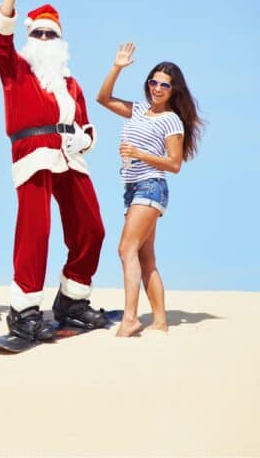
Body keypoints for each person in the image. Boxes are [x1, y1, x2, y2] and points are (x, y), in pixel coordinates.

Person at [0, 0, 108, 341]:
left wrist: (84, 138)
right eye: (38, 34)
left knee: (92, 228)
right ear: (29, 37)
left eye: (50, 34)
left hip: (70, 156)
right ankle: (23, 309)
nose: (44, 40)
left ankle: (72, 300)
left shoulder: (70, 83)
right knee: (35, 232)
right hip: (33, 153)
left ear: (61, 40)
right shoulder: (17, 69)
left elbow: (88, 124)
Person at [96, 42, 203, 337]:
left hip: (151, 187)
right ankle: (160, 322)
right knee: (146, 259)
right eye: (153, 82)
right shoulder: (139, 110)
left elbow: (175, 163)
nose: (157, 88)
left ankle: (130, 318)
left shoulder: (171, 121)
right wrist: (117, 67)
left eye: (164, 85)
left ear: (173, 91)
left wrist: (140, 153)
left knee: (124, 248)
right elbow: (103, 98)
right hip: (132, 189)